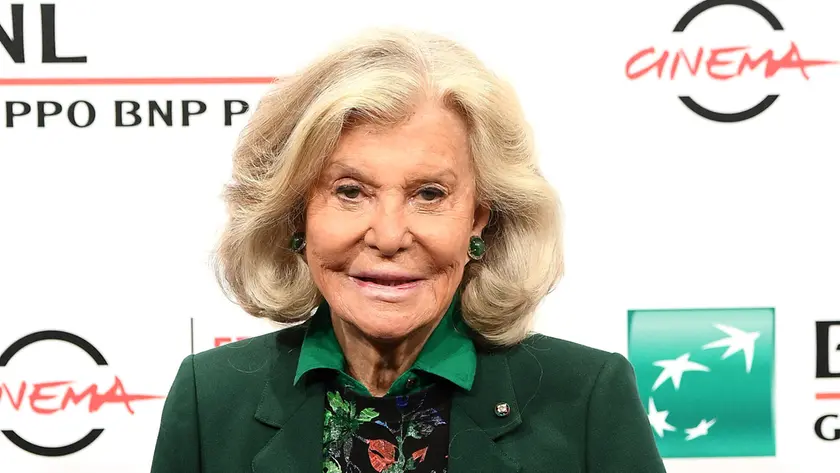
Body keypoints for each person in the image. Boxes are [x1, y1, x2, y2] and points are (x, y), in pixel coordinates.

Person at [150, 28, 666, 473]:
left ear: (479, 219)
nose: (389, 235)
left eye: (430, 194)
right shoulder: (209, 398)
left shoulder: (587, 398)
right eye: (350, 191)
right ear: (295, 213)